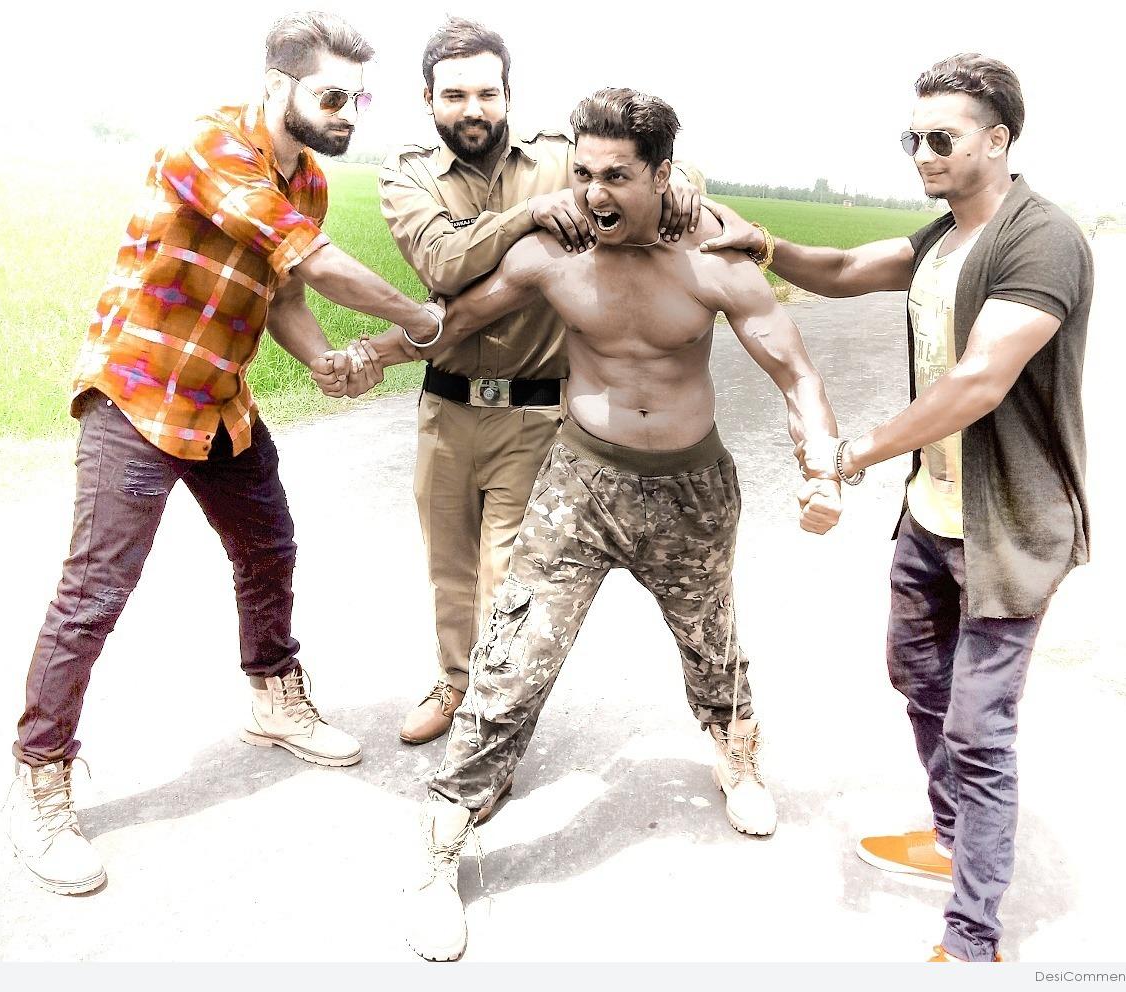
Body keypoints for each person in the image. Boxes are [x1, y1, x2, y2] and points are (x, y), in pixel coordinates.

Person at [359, 86, 843, 962]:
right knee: (513, 657)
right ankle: (442, 846)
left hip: (692, 491)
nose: (592, 192)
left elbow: (796, 373)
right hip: (580, 485)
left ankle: (735, 754)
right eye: (582, 173)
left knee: (712, 642)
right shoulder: (554, 252)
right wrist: (372, 353)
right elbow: (455, 321)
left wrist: (821, 465)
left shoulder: (715, 256)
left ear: (664, 175)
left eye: (616, 175)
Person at [5, 11, 444, 896]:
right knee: (94, 593)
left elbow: (283, 294)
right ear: (279, 85)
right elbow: (315, 263)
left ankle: (273, 694)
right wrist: (418, 317)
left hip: (219, 400)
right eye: (332, 96)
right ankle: (38, 775)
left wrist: (321, 360)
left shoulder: (308, 179)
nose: (348, 113)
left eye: (357, 99)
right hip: (138, 391)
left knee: (268, 547)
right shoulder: (210, 145)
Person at [701, 53, 1094, 962]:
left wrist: (852, 453)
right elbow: (842, 267)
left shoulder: (1040, 240)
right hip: (931, 515)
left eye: (941, 139)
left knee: (980, 727)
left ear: (998, 140)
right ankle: (953, 836)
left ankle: (973, 939)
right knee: (916, 676)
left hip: (1009, 527)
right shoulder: (944, 238)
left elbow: (979, 381)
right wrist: (764, 246)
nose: (921, 154)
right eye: (911, 139)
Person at [378, 18, 705, 746]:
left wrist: (680, 181)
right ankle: (452, 683)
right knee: (447, 565)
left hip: (534, 412)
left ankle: (490, 713)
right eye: (454, 94)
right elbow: (442, 263)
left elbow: (635, 168)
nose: (473, 109)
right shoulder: (409, 175)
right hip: (446, 406)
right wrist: (529, 214)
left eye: (486, 93)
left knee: (507, 574)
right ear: (428, 98)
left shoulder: (561, 159)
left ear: (508, 94)